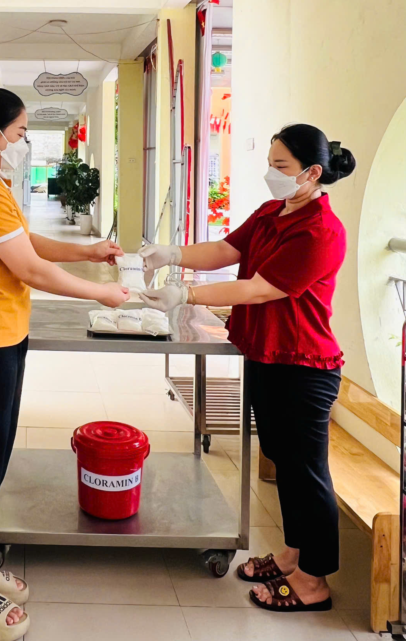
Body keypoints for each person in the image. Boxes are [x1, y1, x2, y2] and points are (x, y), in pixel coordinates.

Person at [0, 88, 129, 639]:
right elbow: (30, 268)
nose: (24, 142)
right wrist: (100, 293)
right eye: (20, 133)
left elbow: (26, 241)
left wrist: (89, 252)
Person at [139, 124, 355, 615]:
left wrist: (186, 293)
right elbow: (227, 250)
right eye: (270, 163)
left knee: (306, 473)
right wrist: (173, 254)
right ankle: (293, 555)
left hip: (303, 364)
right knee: (282, 462)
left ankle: (314, 581)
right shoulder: (273, 211)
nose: (270, 174)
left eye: (280, 166)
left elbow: (259, 288)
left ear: (312, 173)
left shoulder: (321, 231)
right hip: (265, 355)